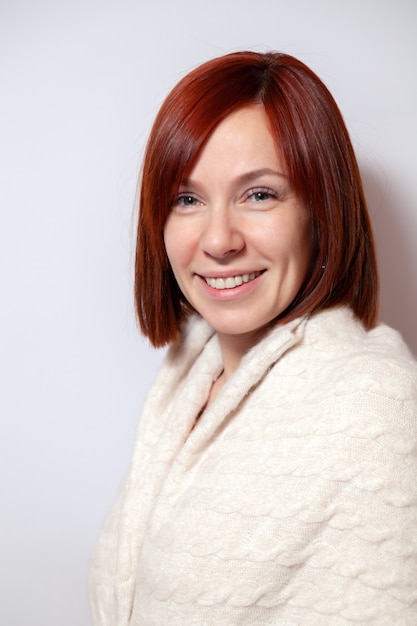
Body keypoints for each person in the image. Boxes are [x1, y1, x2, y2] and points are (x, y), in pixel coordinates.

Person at [89, 51, 417, 625]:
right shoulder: (189, 371)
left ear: (322, 211)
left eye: (259, 194)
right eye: (187, 200)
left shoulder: (374, 402)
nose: (218, 240)